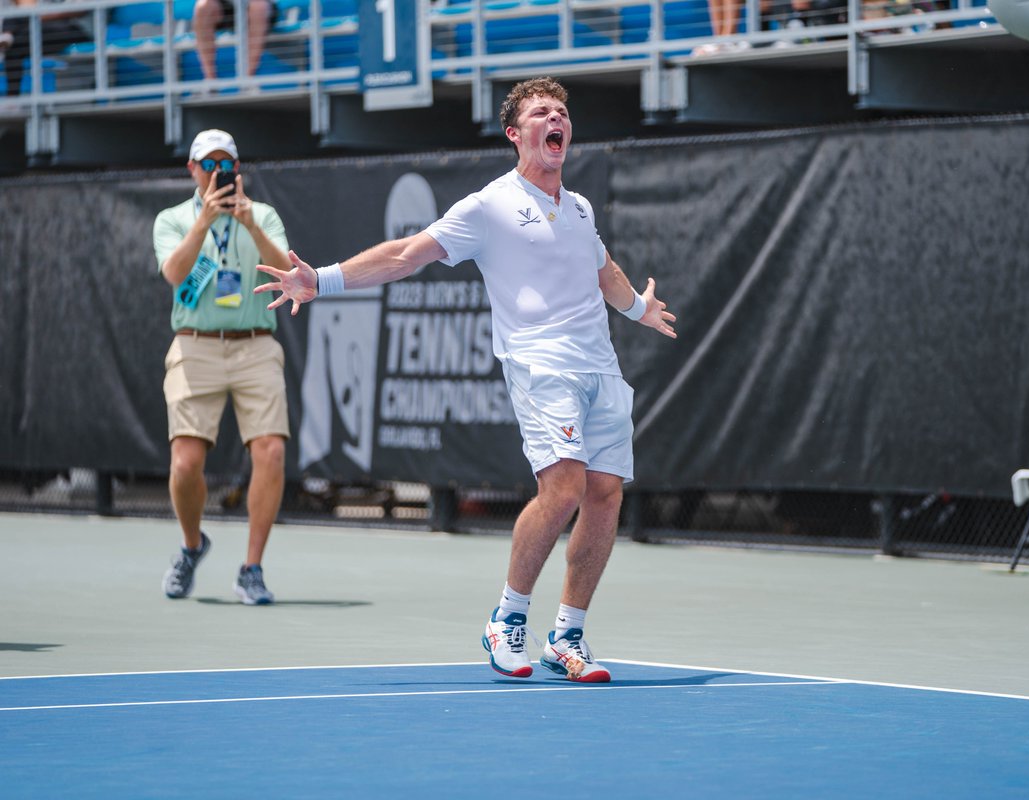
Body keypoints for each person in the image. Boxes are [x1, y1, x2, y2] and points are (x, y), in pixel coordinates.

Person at [254, 77, 677, 682]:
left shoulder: (579, 208)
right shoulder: (489, 206)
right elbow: (407, 253)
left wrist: (637, 308)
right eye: (541, 113)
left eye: (562, 111)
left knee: (605, 495)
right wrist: (321, 280)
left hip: (600, 369)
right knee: (562, 489)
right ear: (516, 133)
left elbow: (603, 269)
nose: (556, 119)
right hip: (540, 364)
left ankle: (568, 635)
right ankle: (508, 619)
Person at [154, 128, 292, 605]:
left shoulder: (264, 215)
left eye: (224, 164)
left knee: (271, 451)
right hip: (196, 347)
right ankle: (193, 546)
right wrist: (204, 223)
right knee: (186, 463)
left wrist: (251, 225)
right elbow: (174, 274)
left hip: (254, 344)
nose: (217, 173)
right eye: (207, 164)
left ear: (238, 169)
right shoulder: (172, 219)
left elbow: (286, 273)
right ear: (192, 169)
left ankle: (251, 569)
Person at [1, 0, 91, 98]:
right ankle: (13, 99)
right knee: (15, 47)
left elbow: (80, 9)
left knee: (17, 36)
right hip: (51, 28)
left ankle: (8, 35)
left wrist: (41, 14)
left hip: (77, 31)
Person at [191, 0, 275, 83]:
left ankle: (248, 80)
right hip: (227, 8)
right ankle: (210, 80)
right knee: (203, 6)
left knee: (259, 7)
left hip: (260, 8)